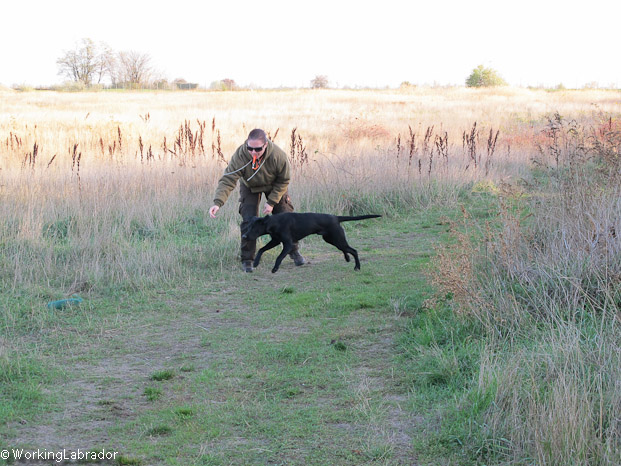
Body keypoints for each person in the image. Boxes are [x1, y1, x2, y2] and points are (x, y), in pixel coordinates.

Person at [209, 129, 306, 272]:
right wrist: (218, 203)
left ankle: (293, 250)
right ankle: (247, 259)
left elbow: (284, 180)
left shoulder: (278, 155)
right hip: (250, 186)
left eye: (258, 149)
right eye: (250, 148)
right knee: (249, 219)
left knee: (285, 216)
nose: (253, 152)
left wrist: (271, 202)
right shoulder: (241, 155)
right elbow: (228, 179)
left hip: (274, 186)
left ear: (265, 145)